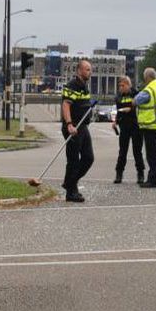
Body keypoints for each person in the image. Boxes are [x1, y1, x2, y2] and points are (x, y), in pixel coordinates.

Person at [60, 59, 94, 203]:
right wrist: (69, 124)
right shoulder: (72, 85)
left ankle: (69, 182)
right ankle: (71, 191)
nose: (89, 72)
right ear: (79, 70)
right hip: (73, 127)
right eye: (87, 69)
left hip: (83, 126)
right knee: (73, 160)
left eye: (90, 69)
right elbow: (66, 105)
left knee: (88, 158)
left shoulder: (84, 86)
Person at [134, 68, 156, 188]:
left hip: (150, 125)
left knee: (151, 156)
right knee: (154, 154)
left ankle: (152, 180)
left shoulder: (149, 90)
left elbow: (136, 101)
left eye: (144, 78)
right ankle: (153, 178)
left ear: (147, 77)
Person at [112, 76, 145, 184]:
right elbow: (118, 110)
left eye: (123, 85)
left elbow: (141, 107)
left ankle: (140, 173)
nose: (121, 88)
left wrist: (131, 109)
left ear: (128, 85)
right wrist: (115, 121)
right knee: (122, 151)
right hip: (124, 125)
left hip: (136, 125)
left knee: (137, 151)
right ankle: (119, 173)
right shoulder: (118, 97)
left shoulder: (136, 94)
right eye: (119, 86)